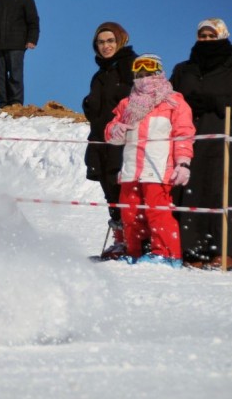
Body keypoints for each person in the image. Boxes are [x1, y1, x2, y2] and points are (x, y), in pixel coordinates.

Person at [104, 54, 195, 267]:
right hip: (132, 169)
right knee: (130, 213)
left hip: (158, 168)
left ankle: (167, 254)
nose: (145, 79)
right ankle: (133, 251)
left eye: (150, 73)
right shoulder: (127, 104)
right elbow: (111, 136)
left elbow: (184, 133)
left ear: (159, 73)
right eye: (140, 74)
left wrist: (183, 162)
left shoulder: (173, 102)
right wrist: (116, 130)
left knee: (158, 213)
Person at [170, 18, 232, 270]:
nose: (206, 40)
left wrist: (215, 101)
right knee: (189, 190)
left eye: (211, 36)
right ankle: (192, 248)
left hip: (222, 136)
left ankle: (224, 249)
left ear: (222, 36)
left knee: (221, 190)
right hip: (189, 137)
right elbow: (171, 97)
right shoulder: (185, 69)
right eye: (202, 36)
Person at [82, 22, 137, 260]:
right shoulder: (99, 75)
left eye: (110, 41)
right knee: (110, 191)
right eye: (101, 42)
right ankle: (120, 241)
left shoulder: (131, 67)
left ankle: (136, 241)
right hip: (100, 140)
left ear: (120, 41)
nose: (105, 46)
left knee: (125, 191)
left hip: (124, 141)